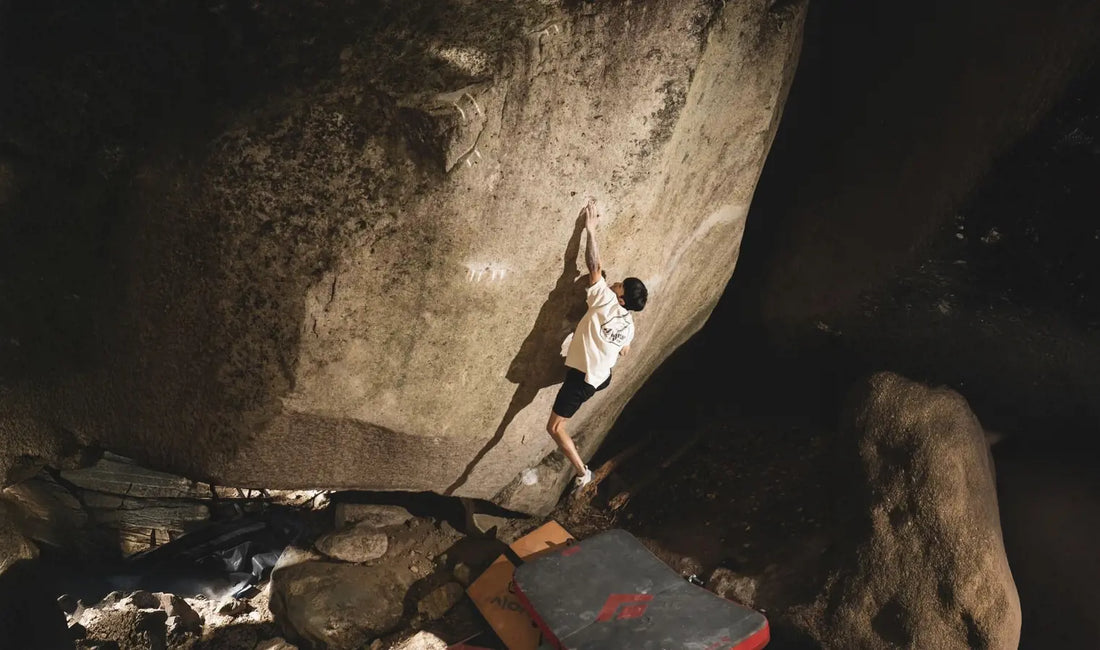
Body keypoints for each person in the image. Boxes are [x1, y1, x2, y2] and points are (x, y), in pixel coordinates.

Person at [546, 199, 648, 491]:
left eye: (619, 285)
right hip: (601, 378)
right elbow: (625, 349)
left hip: (582, 380)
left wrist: (589, 230)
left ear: (622, 299)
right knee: (584, 375)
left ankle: (582, 472)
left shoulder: (604, 300)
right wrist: (611, 344)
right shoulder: (629, 324)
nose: (614, 282)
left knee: (554, 427)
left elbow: (594, 265)